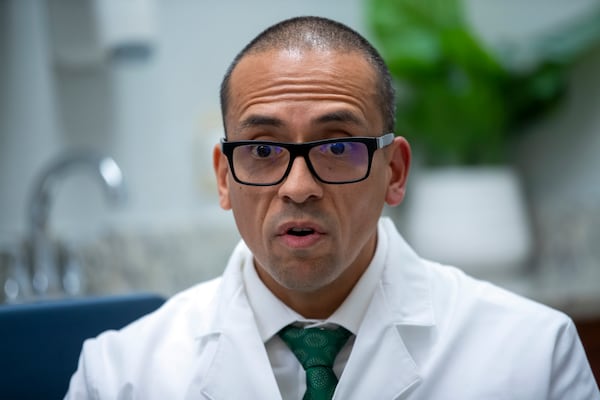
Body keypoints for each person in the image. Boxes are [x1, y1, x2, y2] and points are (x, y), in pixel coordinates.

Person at [65, 16, 599, 399]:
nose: (299, 187)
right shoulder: (119, 376)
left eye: (338, 147)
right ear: (225, 178)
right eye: (263, 150)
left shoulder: (532, 358)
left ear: (394, 172)